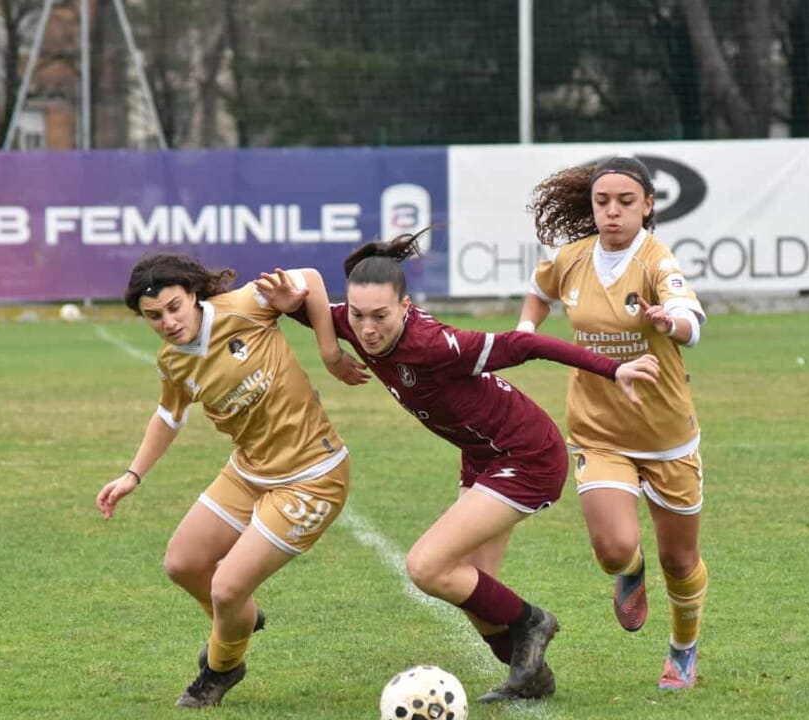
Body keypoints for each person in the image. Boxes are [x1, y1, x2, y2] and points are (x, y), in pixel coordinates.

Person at [253, 232, 660, 703]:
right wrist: (322, 343)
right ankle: (531, 675)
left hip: (526, 454)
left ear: (405, 306)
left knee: (426, 566)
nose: (366, 329)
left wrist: (614, 369)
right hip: (483, 455)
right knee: (471, 592)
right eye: (358, 315)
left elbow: (525, 345)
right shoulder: (355, 321)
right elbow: (312, 301)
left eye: (380, 316)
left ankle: (534, 622)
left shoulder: (434, 344)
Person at [95, 253, 358, 709]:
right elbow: (169, 415)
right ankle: (237, 621)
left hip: (312, 477)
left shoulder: (244, 305)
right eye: (154, 316)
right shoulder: (172, 361)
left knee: (227, 589)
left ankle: (221, 667)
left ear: (192, 294)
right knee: (182, 563)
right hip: (249, 471)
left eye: (174, 307)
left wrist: (330, 352)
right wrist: (132, 475)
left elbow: (313, 278)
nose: (168, 322)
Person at [518, 156, 710, 690]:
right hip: (598, 431)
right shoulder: (572, 258)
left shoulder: (655, 259)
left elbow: (691, 322)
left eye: (626, 202)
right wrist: (524, 332)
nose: (613, 212)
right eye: (603, 202)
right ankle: (630, 571)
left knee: (680, 560)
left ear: (648, 206)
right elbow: (539, 291)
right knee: (613, 550)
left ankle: (683, 649)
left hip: (666, 435)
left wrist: (669, 322)